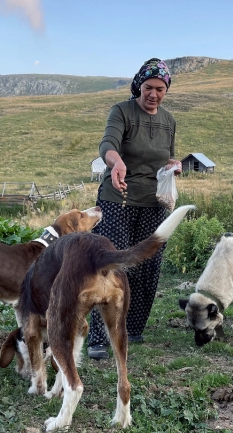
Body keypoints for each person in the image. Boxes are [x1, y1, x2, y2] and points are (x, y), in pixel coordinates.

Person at [87, 58, 182, 360]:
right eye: (148, 87)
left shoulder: (169, 121)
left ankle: (132, 328)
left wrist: (174, 166)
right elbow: (107, 144)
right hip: (118, 200)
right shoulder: (122, 111)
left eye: (160, 89)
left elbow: (168, 157)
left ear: (166, 90)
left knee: (148, 267)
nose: (154, 94)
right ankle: (99, 337)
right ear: (139, 85)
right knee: (111, 265)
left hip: (154, 203)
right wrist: (117, 163)